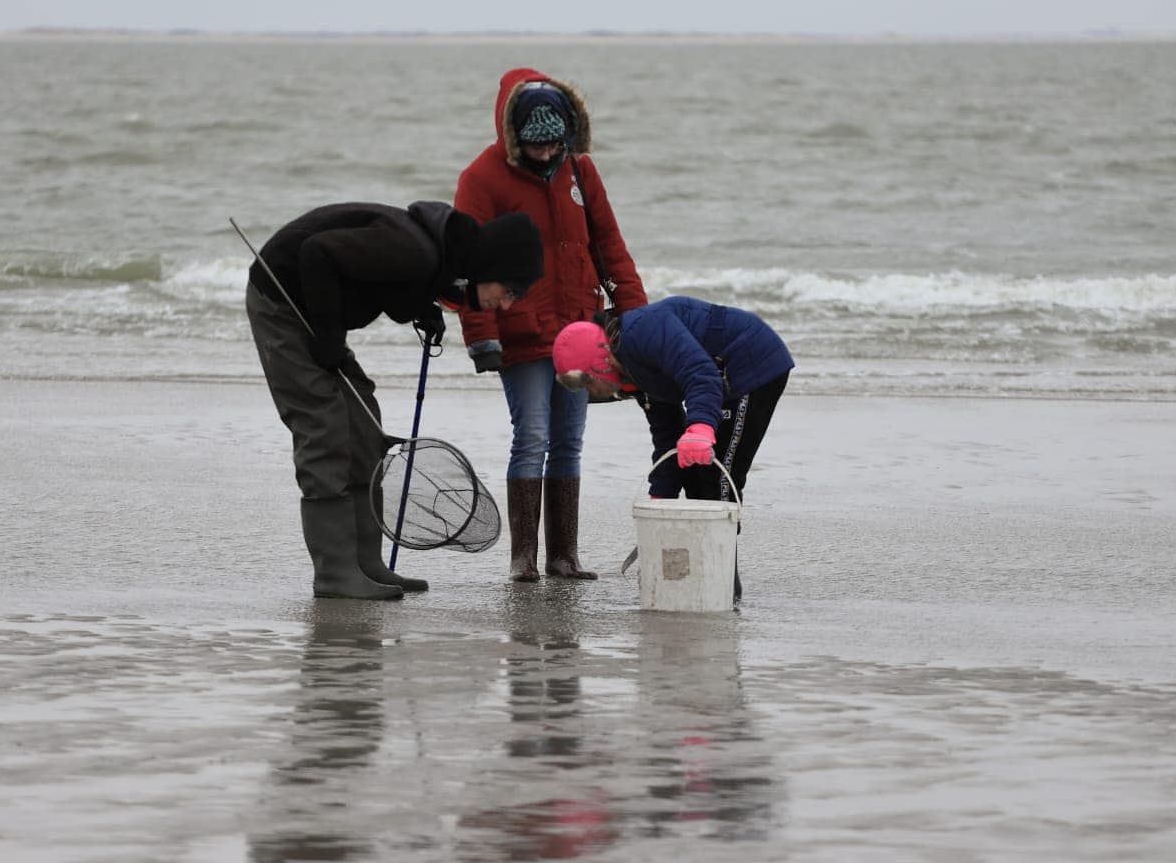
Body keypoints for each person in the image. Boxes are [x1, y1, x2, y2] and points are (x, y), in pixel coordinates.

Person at [245, 200, 543, 601]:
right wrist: (330, 338)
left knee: (365, 423)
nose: (506, 304)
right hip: (281, 302)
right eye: (509, 291)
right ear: (490, 267)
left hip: (312, 310)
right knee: (325, 427)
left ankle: (366, 564)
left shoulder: (442, 259)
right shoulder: (413, 251)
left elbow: (388, 281)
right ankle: (335, 575)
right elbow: (317, 253)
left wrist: (424, 307)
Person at [456, 68, 647, 583]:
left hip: (578, 332)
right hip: (519, 334)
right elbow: (466, 264)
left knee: (569, 440)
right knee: (532, 436)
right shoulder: (481, 178)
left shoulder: (581, 170)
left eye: (555, 145)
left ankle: (564, 556)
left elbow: (610, 247)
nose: (547, 156)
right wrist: (481, 336)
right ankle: (524, 560)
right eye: (536, 147)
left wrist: (636, 317)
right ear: (515, 137)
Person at [550, 297, 795, 601]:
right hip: (717, 378)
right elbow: (667, 437)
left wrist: (701, 427)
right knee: (695, 473)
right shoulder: (632, 375)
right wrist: (660, 498)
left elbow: (700, 374)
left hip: (751, 363)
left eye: (586, 385)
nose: (589, 394)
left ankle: (724, 588)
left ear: (598, 364)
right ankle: (707, 577)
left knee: (718, 478)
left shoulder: (644, 332)